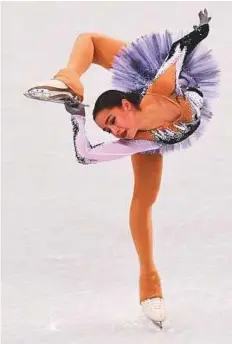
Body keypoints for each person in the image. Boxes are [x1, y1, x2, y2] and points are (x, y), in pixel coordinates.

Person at [24, 9, 220, 326]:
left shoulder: (162, 83)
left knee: (94, 41)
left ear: (125, 106)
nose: (114, 133)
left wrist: (201, 29)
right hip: (153, 132)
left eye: (113, 122)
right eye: (109, 131)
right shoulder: (135, 141)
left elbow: (179, 50)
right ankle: (150, 283)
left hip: (156, 81)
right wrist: (77, 117)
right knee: (143, 200)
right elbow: (86, 155)